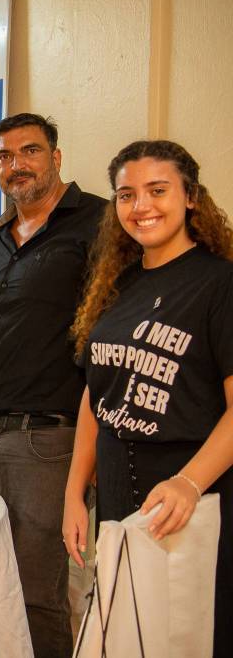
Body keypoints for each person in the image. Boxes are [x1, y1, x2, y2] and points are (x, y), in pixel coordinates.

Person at [0, 113, 107, 657]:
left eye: (30, 151)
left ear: (56, 157)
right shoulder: (1, 234)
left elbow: (109, 329)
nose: (16, 164)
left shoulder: (98, 221)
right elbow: (4, 327)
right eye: (4, 156)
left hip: (51, 438)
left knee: (38, 595)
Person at [63, 140, 233, 654]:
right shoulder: (117, 285)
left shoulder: (220, 283)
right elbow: (97, 395)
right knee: (125, 638)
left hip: (191, 499)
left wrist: (189, 482)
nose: (141, 206)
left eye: (158, 190)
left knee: (187, 638)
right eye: (126, 195)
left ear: (191, 197)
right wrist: (75, 492)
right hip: (118, 494)